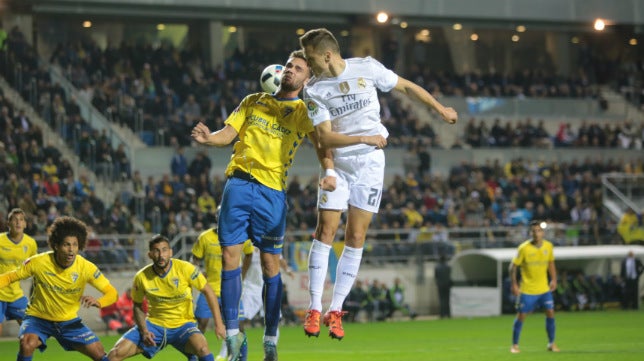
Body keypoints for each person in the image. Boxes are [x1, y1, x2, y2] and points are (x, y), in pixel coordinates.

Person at [299, 27, 458, 340]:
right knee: (326, 231)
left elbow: (406, 87)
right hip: (339, 164)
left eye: (309, 57)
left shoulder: (367, 68)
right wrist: (366, 138)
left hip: (371, 163)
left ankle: (336, 310)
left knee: (356, 235)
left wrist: (439, 109)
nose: (307, 63)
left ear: (327, 55)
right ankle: (315, 307)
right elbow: (324, 137)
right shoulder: (314, 89)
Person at [191, 49, 330, 361]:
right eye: (289, 66)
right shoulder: (253, 100)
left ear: (307, 79)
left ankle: (270, 336)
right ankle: (230, 335)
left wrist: (330, 171)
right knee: (230, 255)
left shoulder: (303, 113)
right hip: (238, 183)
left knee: (269, 265)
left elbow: (323, 143)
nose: (291, 70)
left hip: (272, 192)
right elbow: (228, 134)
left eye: (298, 69)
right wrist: (209, 138)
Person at [0, 216, 118, 361]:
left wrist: (99, 302)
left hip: (68, 321)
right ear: (56, 245)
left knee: (100, 355)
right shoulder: (39, 262)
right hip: (38, 318)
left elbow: (112, 293)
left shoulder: (86, 267)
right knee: (26, 343)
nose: (71, 250)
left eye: (75, 245)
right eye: (66, 245)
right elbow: (9, 277)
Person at [106, 235, 225, 361]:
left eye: (164, 250)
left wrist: (218, 323)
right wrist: (144, 331)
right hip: (154, 326)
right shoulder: (141, 277)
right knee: (114, 354)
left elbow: (208, 292)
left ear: (170, 252)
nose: (161, 255)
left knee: (203, 350)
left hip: (183, 326)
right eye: (156, 251)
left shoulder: (186, 269)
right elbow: (137, 305)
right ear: (150, 254)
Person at [191, 226, 253, 361]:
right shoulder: (205, 237)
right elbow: (194, 258)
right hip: (209, 289)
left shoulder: (241, 234)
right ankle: (195, 357)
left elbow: (249, 253)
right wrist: (198, 274)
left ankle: (243, 359)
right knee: (200, 323)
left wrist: (242, 274)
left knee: (239, 327)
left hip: (232, 290)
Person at [509, 220, 559, 354]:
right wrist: (514, 284)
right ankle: (514, 345)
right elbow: (512, 267)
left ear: (542, 233)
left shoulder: (548, 246)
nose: (536, 234)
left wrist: (554, 279)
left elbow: (551, 264)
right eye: (533, 231)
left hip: (544, 289)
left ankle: (551, 343)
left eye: (538, 231)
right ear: (530, 233)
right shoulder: (523, 248)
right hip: (527, 290)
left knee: (550, 313)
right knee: (522, 316)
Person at [0, 208, 38, 336]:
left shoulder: (30, 243)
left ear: (25, 224)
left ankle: (24, 356)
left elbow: (35, 267)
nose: (18, 222)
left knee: (30, 332)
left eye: (21, 220)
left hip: (16, 294)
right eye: (14, 220)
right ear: (8, 223)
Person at [434, 255, 452, 319]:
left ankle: (442, 314)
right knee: (447, 300)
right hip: (447, 285)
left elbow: (436, 277)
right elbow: (450, 276)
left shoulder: (437, 267)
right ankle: (448, 314)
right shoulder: (448, 267)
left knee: (441, 300)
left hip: (440, 285)